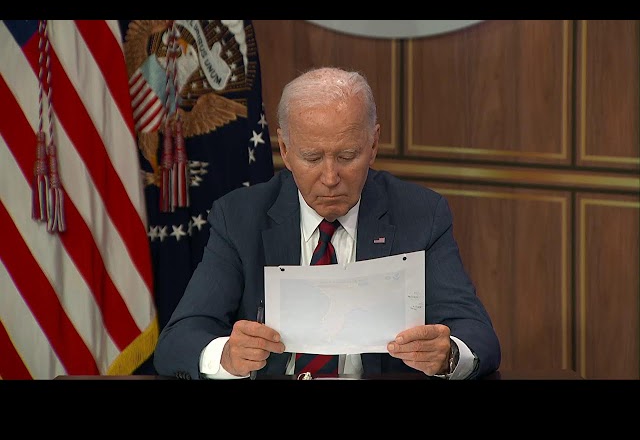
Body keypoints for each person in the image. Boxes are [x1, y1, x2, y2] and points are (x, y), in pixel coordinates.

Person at [153, 66, 501, 380]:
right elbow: (177, 341)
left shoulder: (421, 214)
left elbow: (479, 336)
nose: (331, 177)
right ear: (286, 151)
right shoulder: (240, 216)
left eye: (348, 156)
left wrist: (449, 354)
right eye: (312, 157)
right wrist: (227, 355)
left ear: (374, 144)